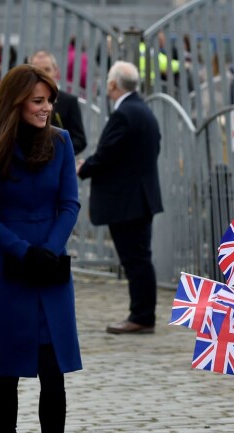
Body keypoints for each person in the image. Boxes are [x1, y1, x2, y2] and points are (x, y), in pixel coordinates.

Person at [0, 63, 82, 433]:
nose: (46, 107)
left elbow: (69, 203)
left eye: (49, 100)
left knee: (53, 375)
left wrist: (49, 249)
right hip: (9, 267)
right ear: (17, 102)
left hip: (50, 267)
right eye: (38, 101)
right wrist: (21, 250)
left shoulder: (61, 141)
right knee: (7, 372)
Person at [77, 61, 163, 334]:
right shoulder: (142, 110)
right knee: (138, 258)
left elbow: (106, 154)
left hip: (128, 202)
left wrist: (83, 168)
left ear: (113, 85)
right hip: (139, 198)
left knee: (135, 260)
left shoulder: (124, 114)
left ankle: (141, 316)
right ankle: (142, 313)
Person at [29, 50, 87, 155]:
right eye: (37, 70)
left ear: (56, 71)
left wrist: (58, 154)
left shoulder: (69, 101)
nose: (43, 74)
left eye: (47, 69)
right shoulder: (23, 100)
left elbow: (79, 140)